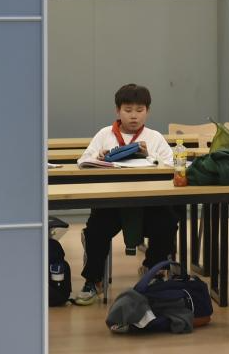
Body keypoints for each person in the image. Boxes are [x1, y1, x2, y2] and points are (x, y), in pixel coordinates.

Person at [72, 84, 177, 306]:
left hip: (148, 204)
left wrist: (150, 157)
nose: (134, 116)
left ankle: (152, 269)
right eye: (128, 110)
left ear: (148, 111)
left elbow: (171, 166)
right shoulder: (104, 134)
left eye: (140, 110)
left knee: (167, 223)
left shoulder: (155, 137)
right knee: (95, 230)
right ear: (117, 111)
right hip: (111, 204)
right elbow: (82, 161)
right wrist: (98, 158)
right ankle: (93, 280)